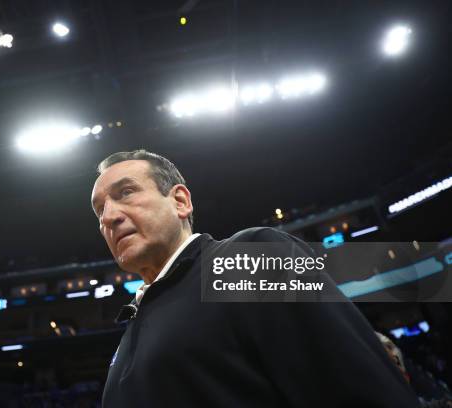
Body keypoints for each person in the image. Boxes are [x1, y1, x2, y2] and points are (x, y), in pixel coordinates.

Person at [91, 149, 420, 407]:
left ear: (180, 201)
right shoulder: (131, 327)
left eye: (126, 192)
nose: (109, 217)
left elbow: (363, 391)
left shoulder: (247, 258)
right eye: (99, 209)